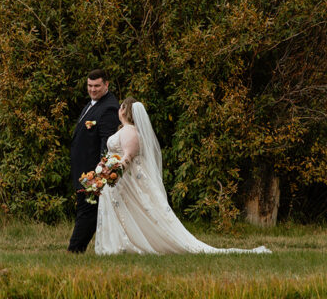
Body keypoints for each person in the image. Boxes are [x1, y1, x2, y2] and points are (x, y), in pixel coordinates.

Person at [92, 97, 271, 255]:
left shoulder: (129, 131)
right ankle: (121, 243)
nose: (119, 110)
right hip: (120, 180)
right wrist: (105, 167)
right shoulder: (124, 129)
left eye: (121, 106)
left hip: (124, 179)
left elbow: (127, 157)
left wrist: (112, 171)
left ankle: (129, 244)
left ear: (124, 110)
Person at [68, 70, 120, 253]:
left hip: (93, 171)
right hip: (83, 169)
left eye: (97, 86)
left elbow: (107, 143)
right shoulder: (92, 104)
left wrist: (99, 174)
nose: (93, 89)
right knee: (85, 209)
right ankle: (76, 248)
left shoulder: (109, 108)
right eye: (90, 86)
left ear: (106, 84)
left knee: (87, 210)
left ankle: (74, 250)